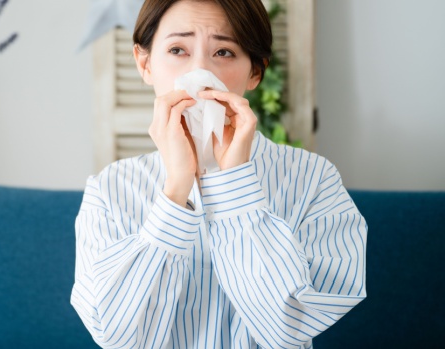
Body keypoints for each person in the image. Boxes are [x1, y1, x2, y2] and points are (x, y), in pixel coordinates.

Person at [71, 0, 367, 348]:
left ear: (255, 72)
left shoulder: (313, 180)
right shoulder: (110, 189)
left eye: (224, 52)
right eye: (178, 49)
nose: (199, 75)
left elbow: (288, 328)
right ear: (144, 63)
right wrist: (176, 189)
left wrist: (235, 186)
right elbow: (117, 337)